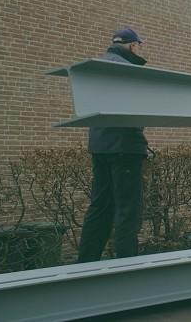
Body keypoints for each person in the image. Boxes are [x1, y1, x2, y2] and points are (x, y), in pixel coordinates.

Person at [77, 27, 149, 263]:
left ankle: (85, 264)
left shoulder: (99, 66)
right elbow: (138, 108)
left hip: (100, 146)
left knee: (100, 207)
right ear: (133, 46)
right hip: (125, 147)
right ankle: (127, 267)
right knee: (128, 210)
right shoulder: (127, 69)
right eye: (138, 46)